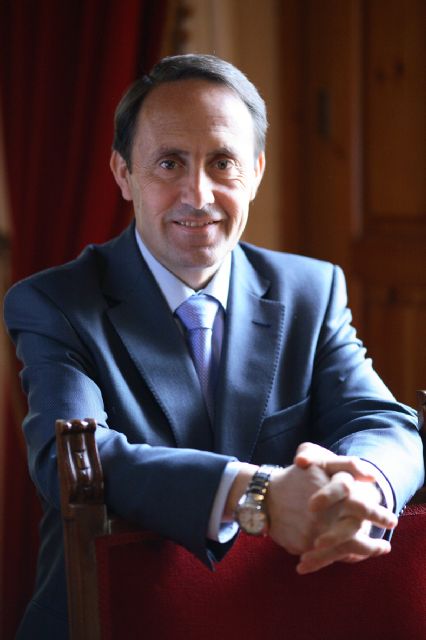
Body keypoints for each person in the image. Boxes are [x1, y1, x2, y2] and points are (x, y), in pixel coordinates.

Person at [4, 54, 423, 638]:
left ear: (256, 171)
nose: (197, 195)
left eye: (222, 163)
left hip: (278, 615)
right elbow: (74, 463)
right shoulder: (54, 303)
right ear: (123, 173)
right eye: (169, 163)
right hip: (112, 616)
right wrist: (260, 493)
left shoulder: (312, 289)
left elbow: (382, 421)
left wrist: (361, 484)